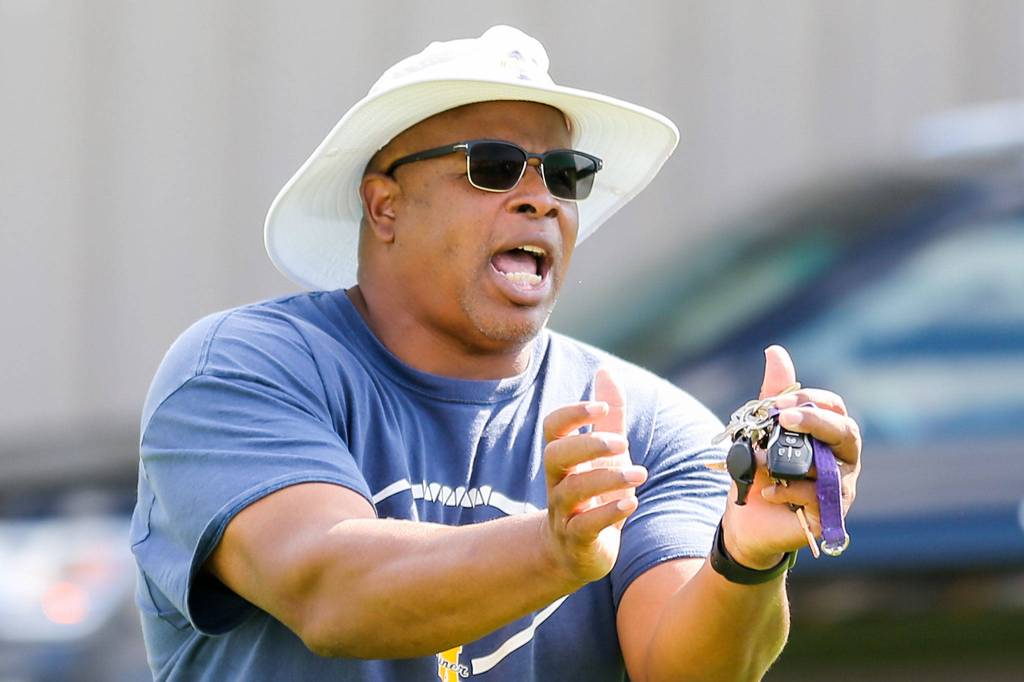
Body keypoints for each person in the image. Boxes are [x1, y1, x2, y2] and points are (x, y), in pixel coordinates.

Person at [130, 25, 862, 681]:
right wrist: (555, 550)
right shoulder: (243, 369)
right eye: (494, 166)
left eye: (564, 174)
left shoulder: (655, 427)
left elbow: (681, 670)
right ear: (385, 205)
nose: (540, 199)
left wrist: (747, 559)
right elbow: (329, 591)